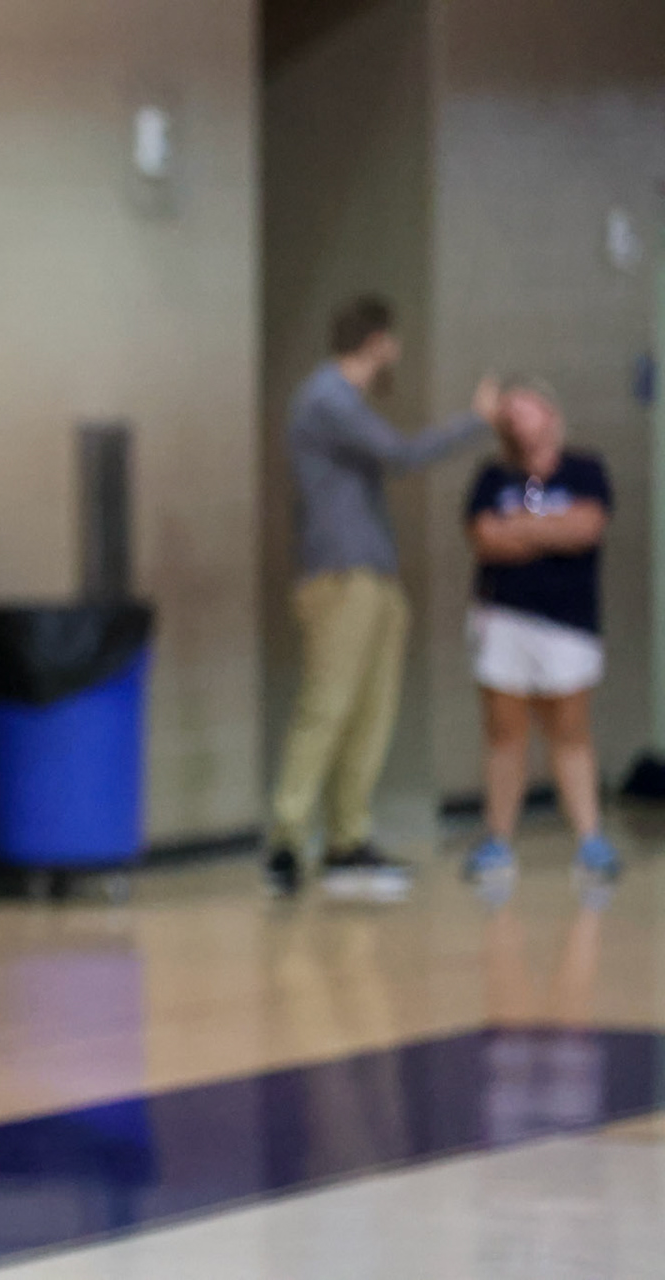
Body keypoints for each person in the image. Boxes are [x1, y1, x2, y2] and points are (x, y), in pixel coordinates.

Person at [265, 295, 499, 899]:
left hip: (374, 575)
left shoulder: (343, 402)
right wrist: (475, 419)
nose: (396, 351)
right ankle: (289, 836)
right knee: (329, 704)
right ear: (376, 341)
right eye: (392, 340)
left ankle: (349, 837)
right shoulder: (326, 399)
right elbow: (402, 454)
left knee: (372, 711)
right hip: (340, 577)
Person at [460, 377, 617, 895]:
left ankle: (591, 839)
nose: (519, 419)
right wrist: (546, 529)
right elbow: (486, 538)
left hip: (568, 621)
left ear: (550, 413)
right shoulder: (492, 476)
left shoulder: (584, 469)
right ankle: (497, 840)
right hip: (503, 618)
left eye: (527, 408)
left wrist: (521, 527)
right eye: (510, 413)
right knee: (505, 733)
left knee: (569, 730)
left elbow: (585, 528)